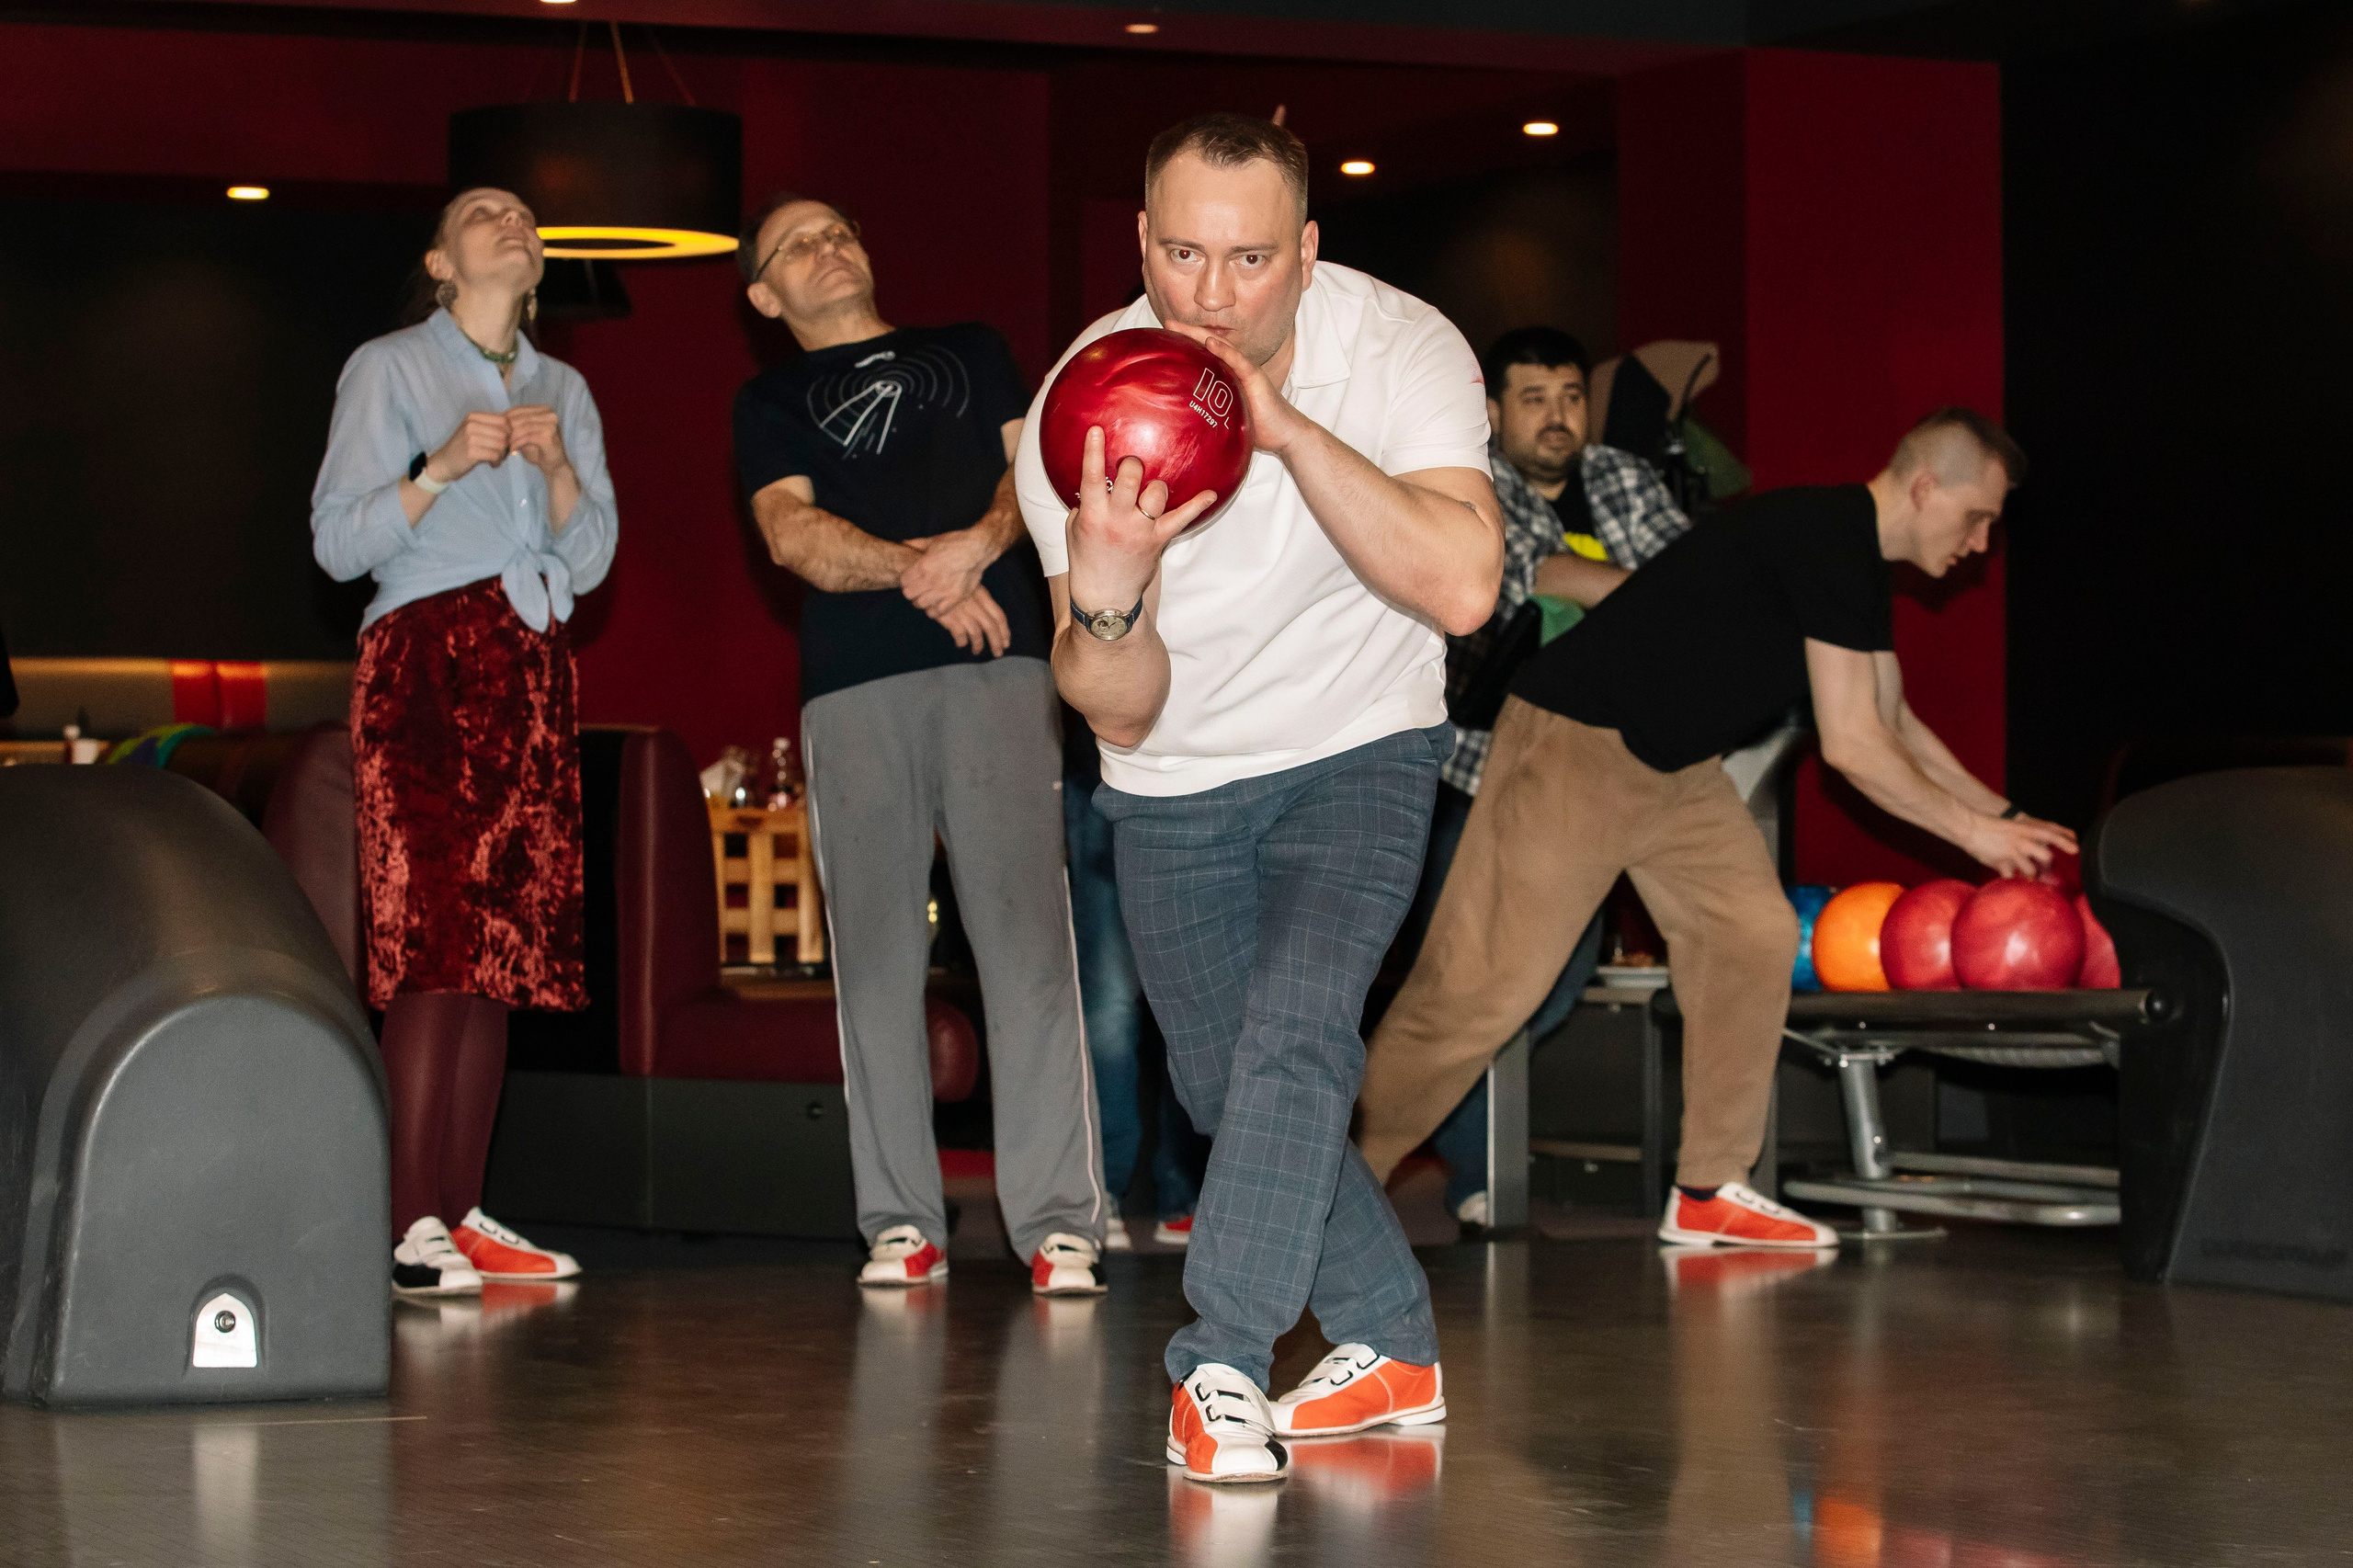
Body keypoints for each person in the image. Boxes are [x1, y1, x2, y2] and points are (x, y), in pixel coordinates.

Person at [1015, 112, 1504, 1484]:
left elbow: (1463, 585)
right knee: (1230, 1087)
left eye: (1248, 260)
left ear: (1307, 249)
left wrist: (1286, 433)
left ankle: (1217, 1363)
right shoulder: (1085, 402)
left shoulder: (1402, 348)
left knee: (1298, 1037)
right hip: (1173, 773)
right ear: (1141, 245)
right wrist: (1107, 590)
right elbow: (1117, 704)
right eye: (1181, 255)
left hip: (1363, 744)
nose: (1212, 296)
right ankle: (1393, 1338)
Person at [1358, 409, 2077, 1248]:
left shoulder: (1851, 559)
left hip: (1673, 767)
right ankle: (1321, 1183)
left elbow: (1893, 719)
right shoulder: (1826, 532)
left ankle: (1709, 1188)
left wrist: (2005, 816)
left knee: (1750, 934)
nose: (1981, 543)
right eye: (1977, 517)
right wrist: (1976, 837)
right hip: (1578, 744)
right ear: (1926, 487)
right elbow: (1853, 748)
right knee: (1480, 988)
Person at [732, 193, 1108, 1296]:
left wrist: (979, 544)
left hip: (1002, 672)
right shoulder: (769, 396)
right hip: (853, 685)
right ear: (764, 296)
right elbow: (790, 533)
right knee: (879, 958)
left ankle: (1057, 1221)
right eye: (794, 245)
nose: (827, 246)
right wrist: (929, 573)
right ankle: (900, 1221)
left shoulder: (970, 349)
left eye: (839, 228)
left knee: (1027, 942)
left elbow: (1032, 477)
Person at [312, 187, 617, 1298]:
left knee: (501, 955)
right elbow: (337, 540)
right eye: (483, 211)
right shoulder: (388, 367)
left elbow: (589, 561)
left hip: (531, 665)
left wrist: (559, 475)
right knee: (433, 943)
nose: (513, 220)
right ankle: (407, 1223)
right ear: (441, 261)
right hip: (428, 658)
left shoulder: (565, 390)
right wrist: (437, 468)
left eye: (527, 216)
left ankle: (459, 1209)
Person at [1386, 325, 1692, 1230]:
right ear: (1492, 411)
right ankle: (1472, 1170)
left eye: (1568, 395)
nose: (1557, 416)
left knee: (1553, 981)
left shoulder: (1622, 478)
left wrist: (1607, 587)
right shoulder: (1472, 477)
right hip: (1472, 768)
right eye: (1534, 398)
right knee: (1466, 980)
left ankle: (1457, 1150)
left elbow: (1690, 577)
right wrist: (1627, 590)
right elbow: (1526, 575)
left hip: (1593, 772)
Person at [1063, 705, 1204, 1251]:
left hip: (1198, 764)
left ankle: (1187, 1189)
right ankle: (1105, 1187)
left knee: (1192, 991)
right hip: (1103, 762)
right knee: (1109, 1005)